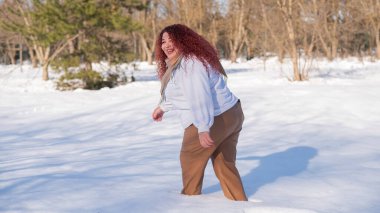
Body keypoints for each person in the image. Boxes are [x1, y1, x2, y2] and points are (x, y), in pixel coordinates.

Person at [151, 24, 247, 201]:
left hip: (214, 118)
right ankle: (239, 204)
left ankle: (191, 203)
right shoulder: (185, 62)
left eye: (172, 40)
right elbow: (182, 92)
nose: (167, 45)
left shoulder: (190, 64)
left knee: (189, 159)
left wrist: (203, 127)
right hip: (232, 113)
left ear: (184, 41)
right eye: (163, 41)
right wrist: (163, 107)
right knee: (223, 164)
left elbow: (199, 96)